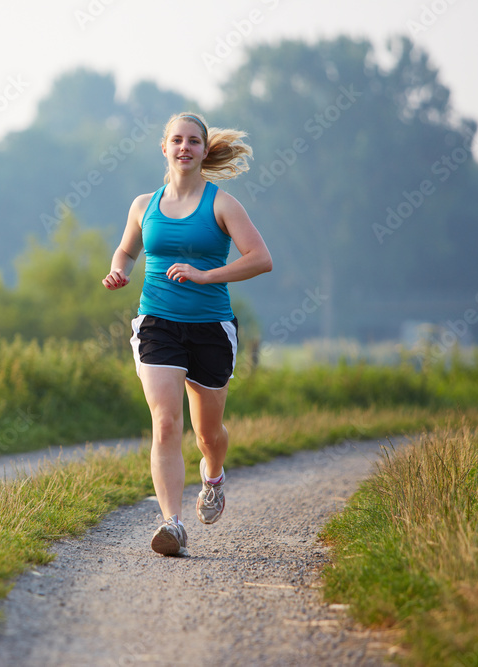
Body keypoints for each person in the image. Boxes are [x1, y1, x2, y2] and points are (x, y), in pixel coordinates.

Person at [102, 112, 272, 556]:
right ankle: (172, 524)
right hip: (157, 323)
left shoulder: (223, 205)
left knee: (207, 433)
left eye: (193, 141)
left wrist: (204, 275)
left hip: (211, 328)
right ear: (164, 148)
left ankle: (213, 476)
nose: (184, 147)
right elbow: (126, 248)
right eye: (176, 140)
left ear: (204, 149)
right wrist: (119, 269)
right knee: (165, 423)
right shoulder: (144, 205)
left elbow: (260, 258)